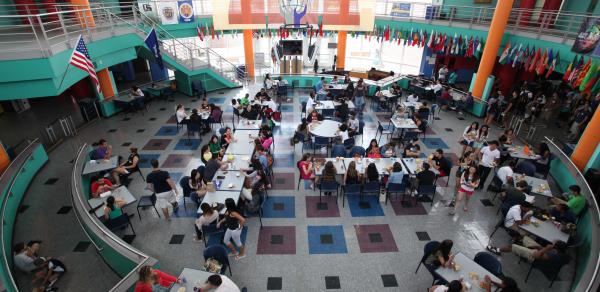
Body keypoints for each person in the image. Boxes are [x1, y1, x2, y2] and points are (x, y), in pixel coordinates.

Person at [487, 240, 570, 268]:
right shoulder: (562, 254)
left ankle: (497, 250)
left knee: (512, 246)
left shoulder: (553, 254)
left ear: (557, 248)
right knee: (526, 239)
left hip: (532, 256)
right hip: (538, 252)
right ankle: (522, 245)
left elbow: (536, 256)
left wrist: (546, 248)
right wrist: (540, 247)